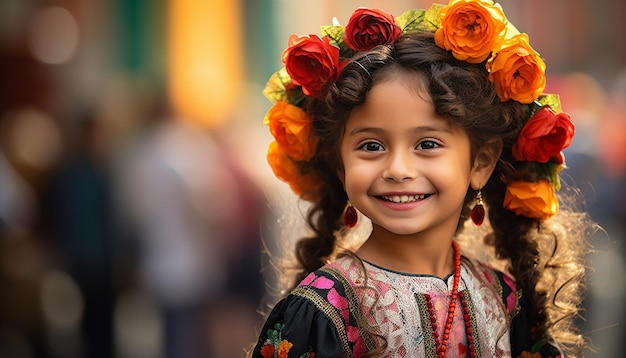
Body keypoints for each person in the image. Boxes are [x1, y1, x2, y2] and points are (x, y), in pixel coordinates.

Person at [252, 1, 595, 357]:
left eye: (427, 144)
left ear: (481, 162)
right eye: (371, 146)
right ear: (341, 166)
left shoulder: (507, 301)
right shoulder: (322, 311)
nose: (398, 169)